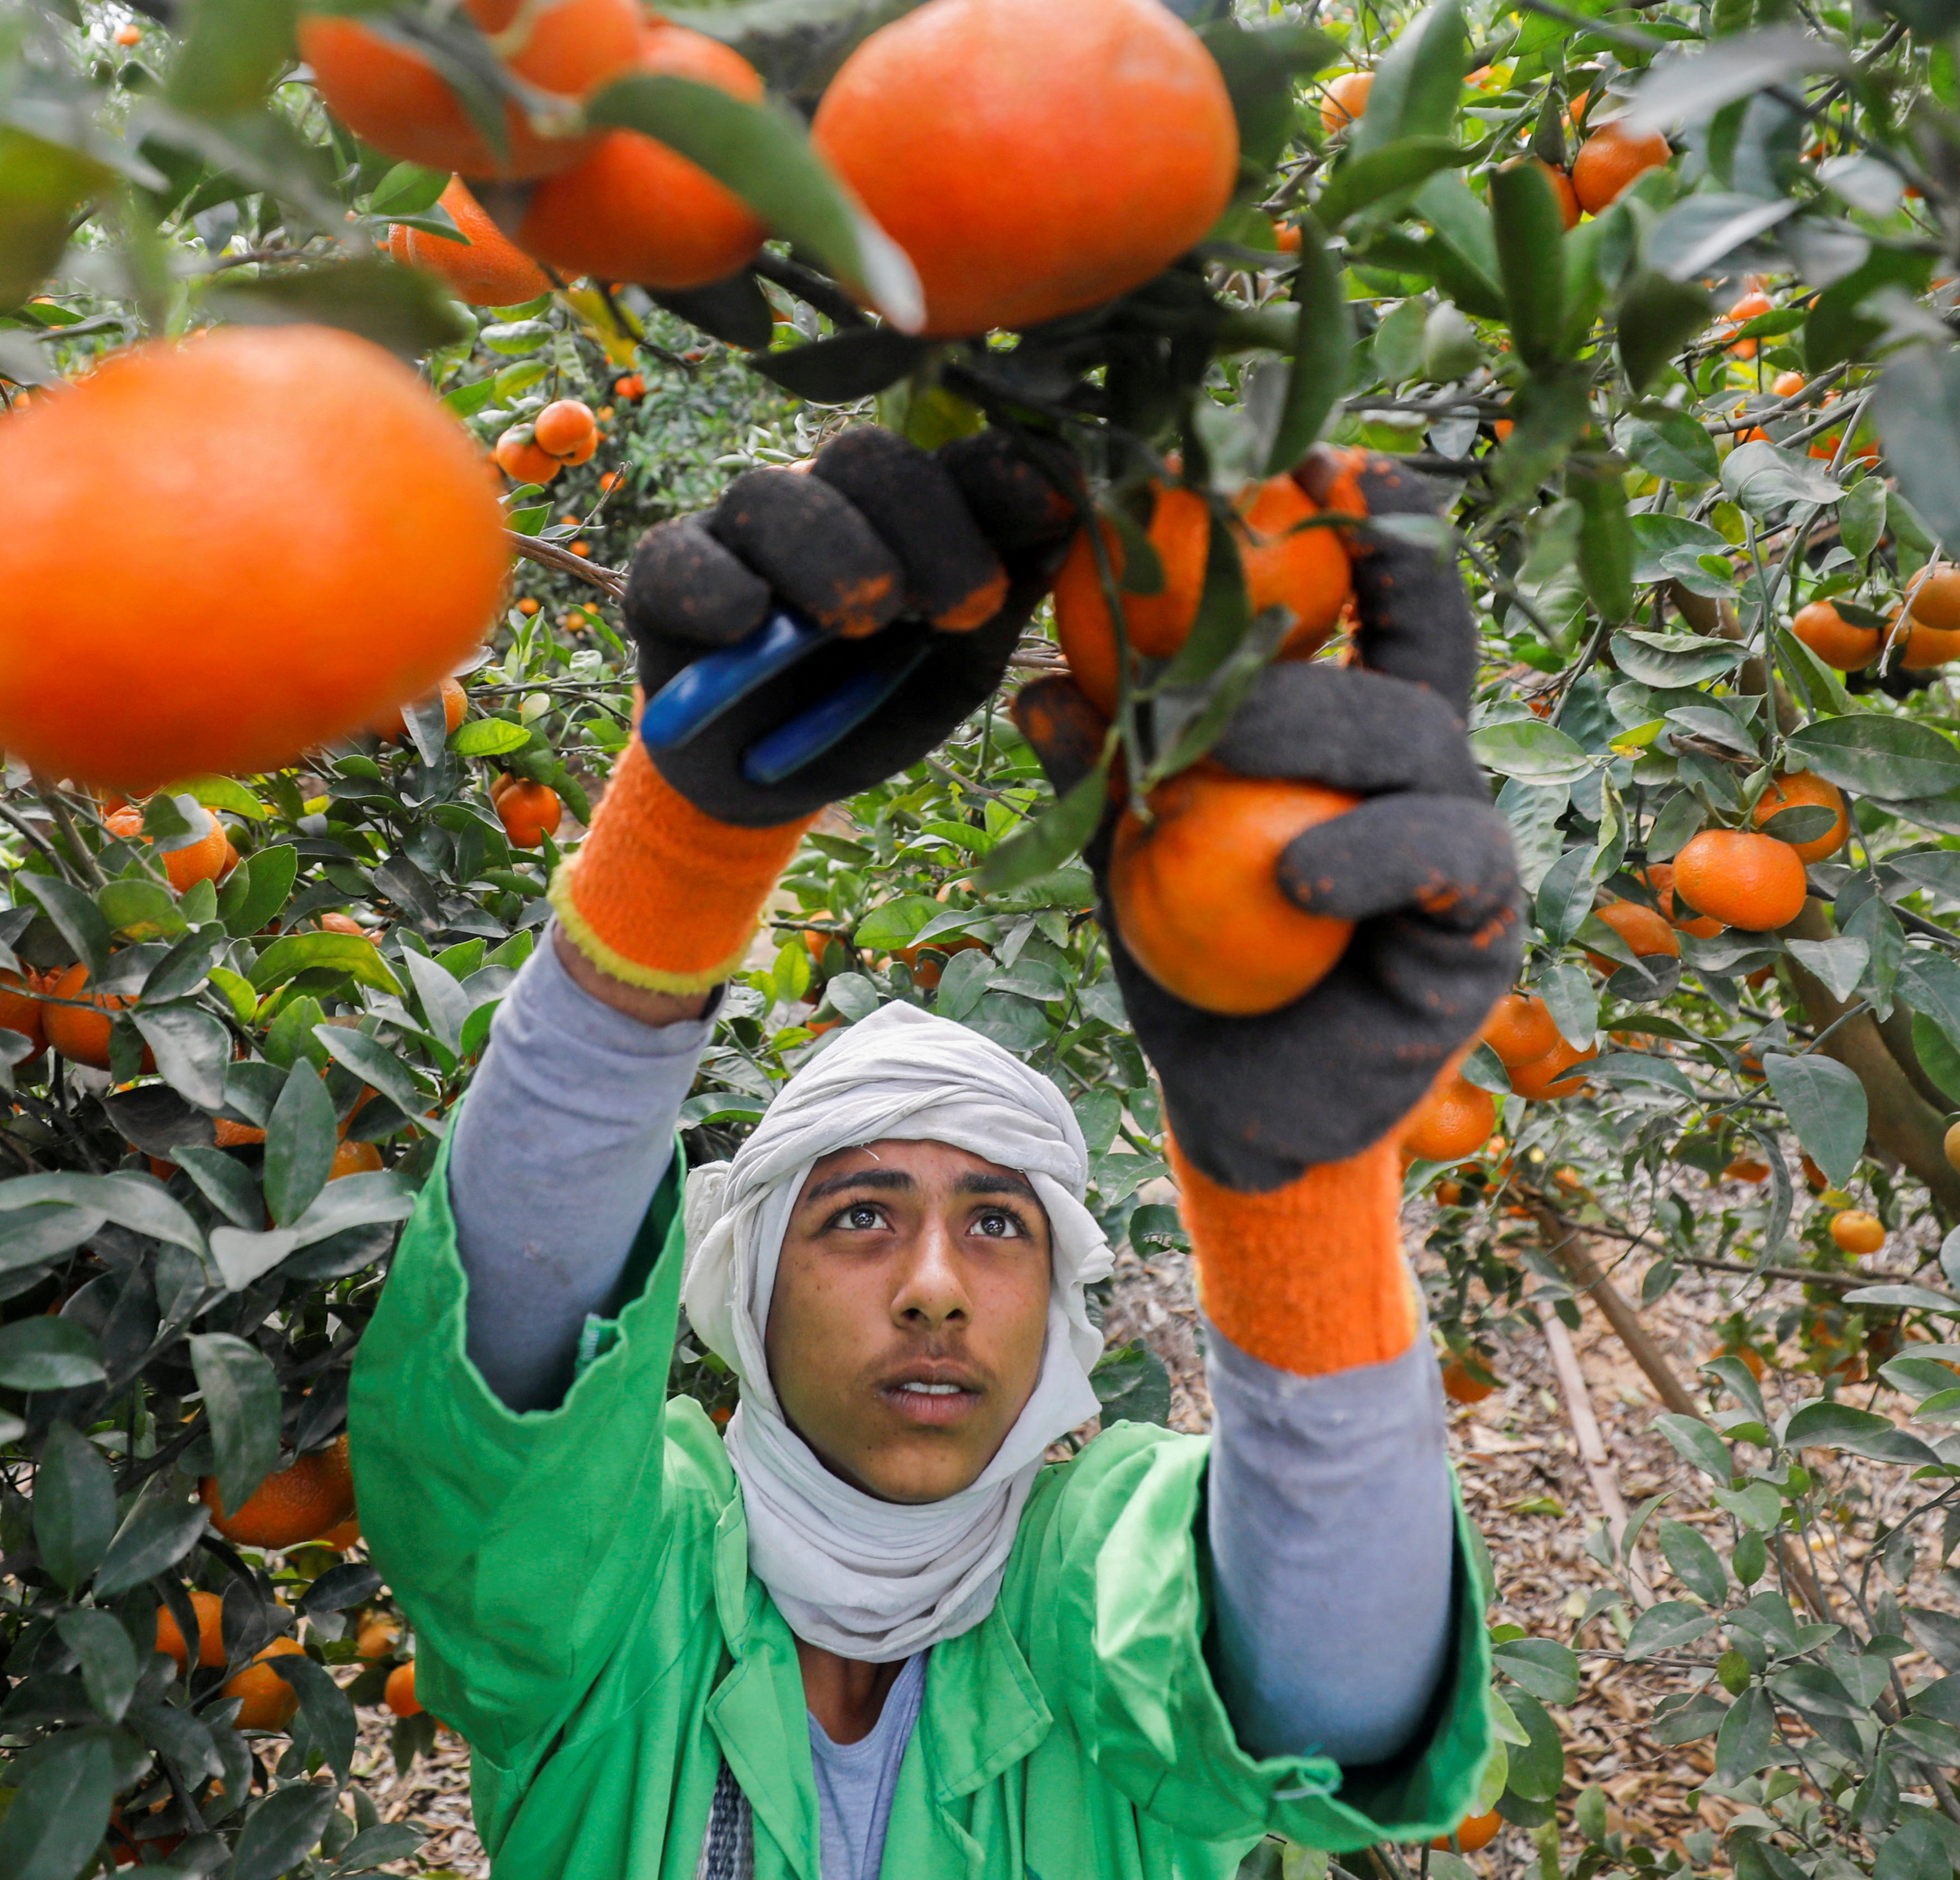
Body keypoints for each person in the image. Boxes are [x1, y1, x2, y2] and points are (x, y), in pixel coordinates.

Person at [352, 427, 1525, 1877]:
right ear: (747, 1290)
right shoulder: (629, 1600)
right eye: (855, 1217)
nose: (933, 1286)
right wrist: (682, 855)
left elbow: (1321, 1695)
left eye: (996, 1224)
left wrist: (1299, 1195)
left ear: (1059, 1309)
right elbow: (495, 1409)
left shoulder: (1093, 1588)